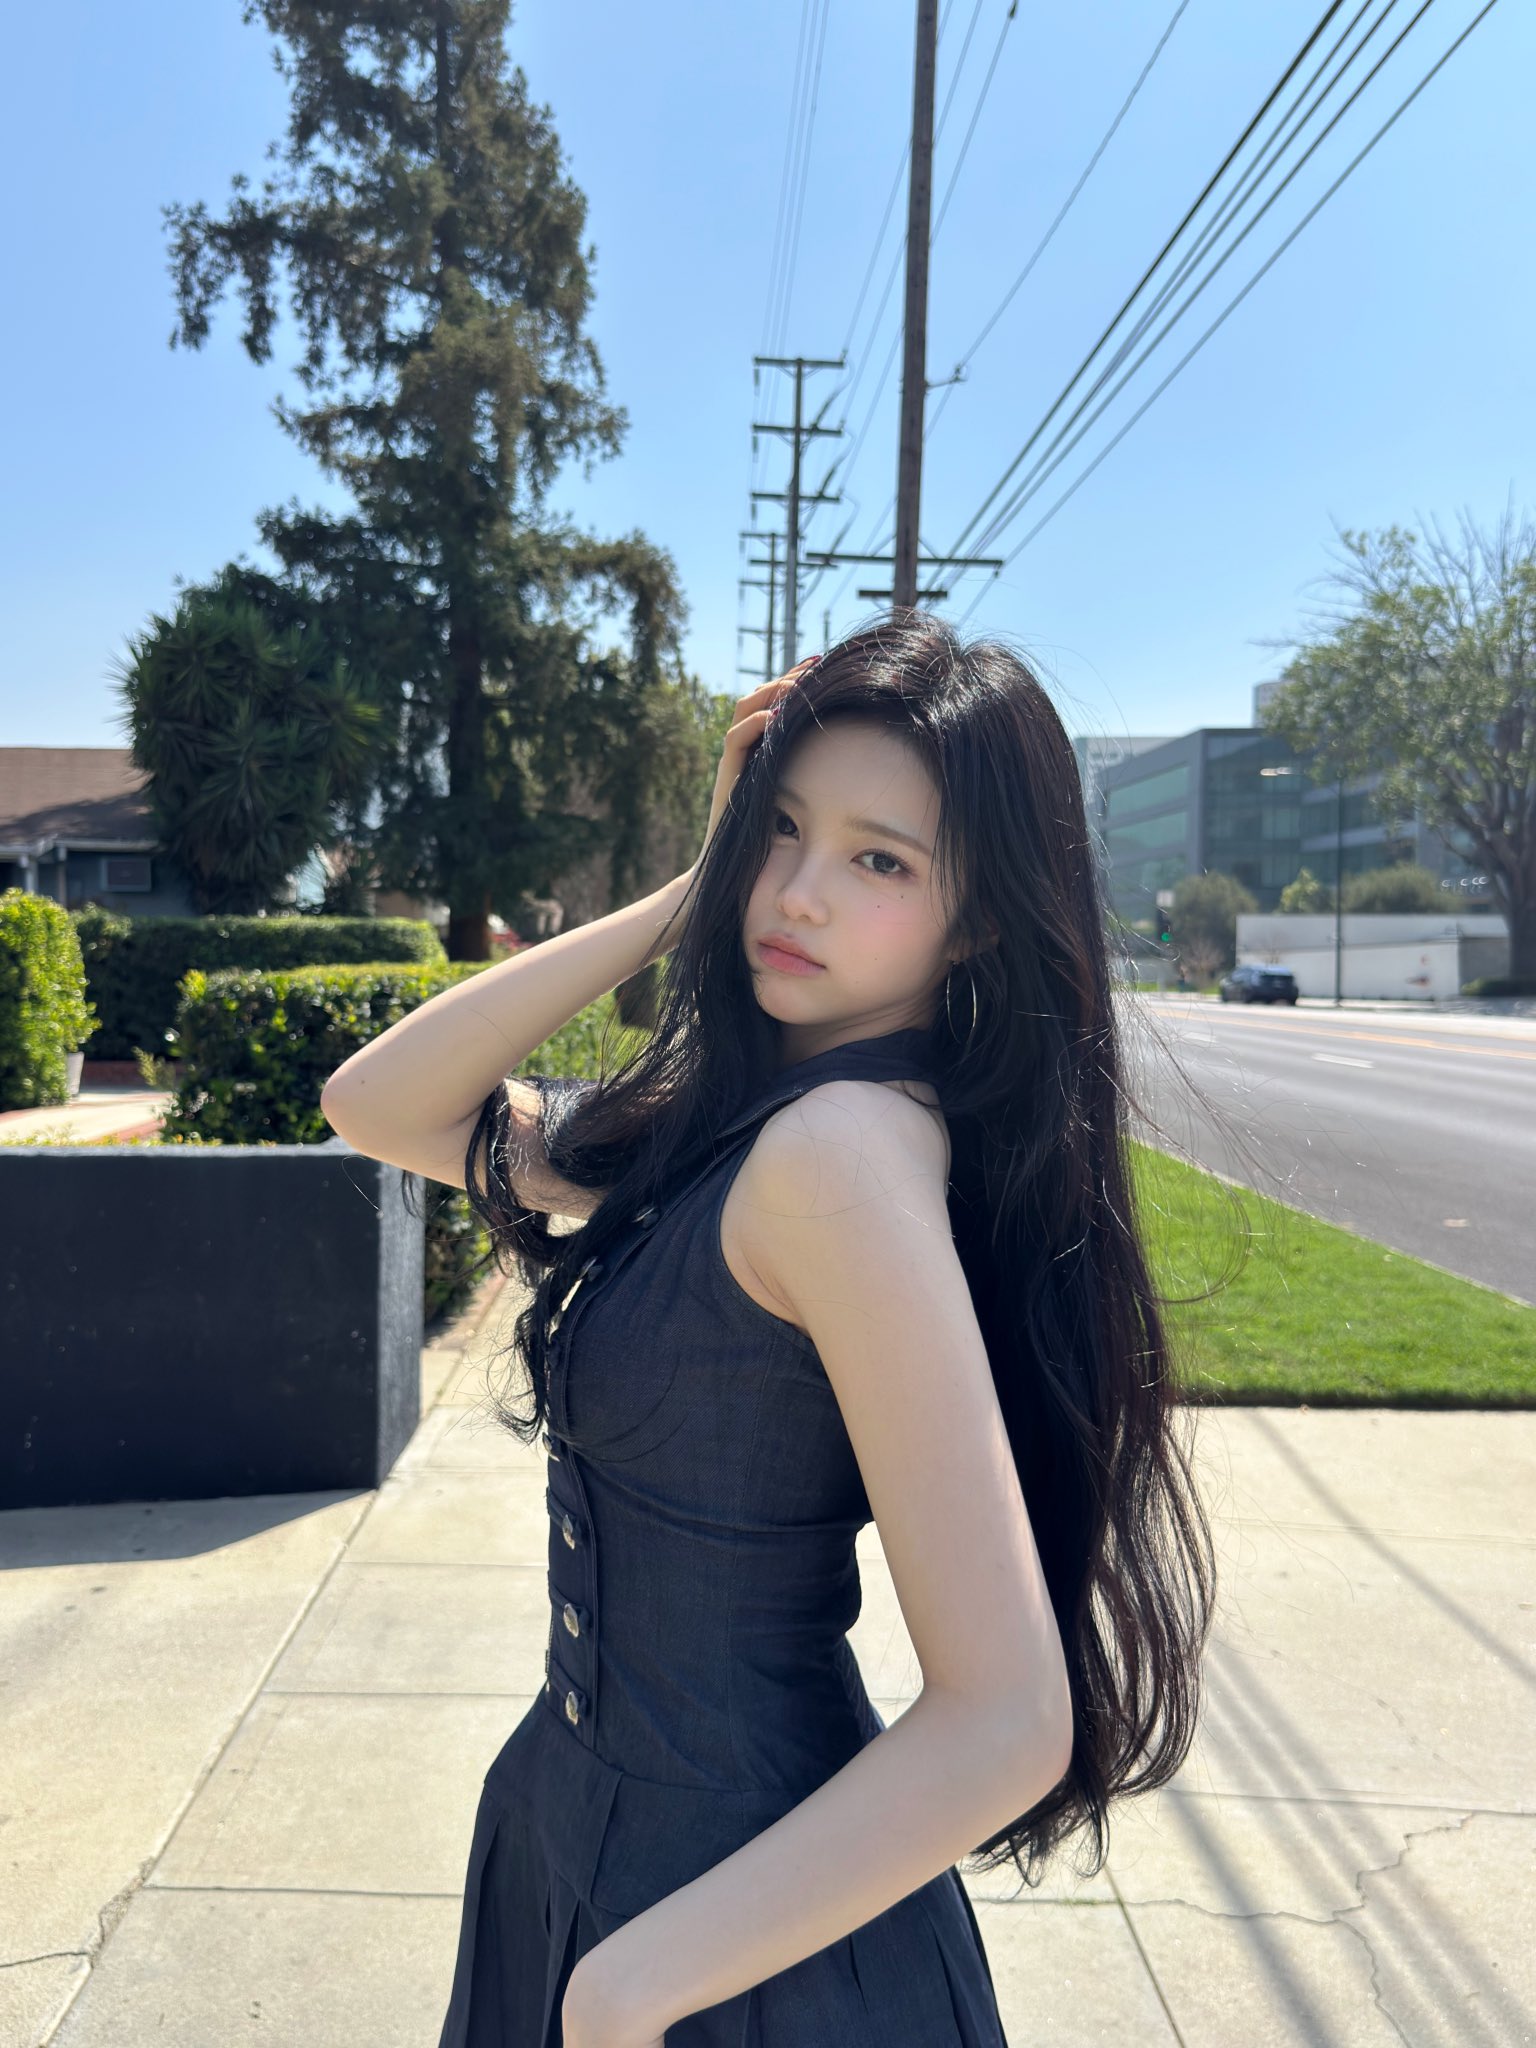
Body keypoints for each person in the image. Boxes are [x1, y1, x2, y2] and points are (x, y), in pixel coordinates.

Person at [319, 609, 1217, 2046]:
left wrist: (625, 1991)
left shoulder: (836, 1156)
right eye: (781, 830)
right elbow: (378, 1104)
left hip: (728, 1942)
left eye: (879, 861)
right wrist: (698, 884)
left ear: (980, 915)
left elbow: (1007, 1720)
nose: (797, 895)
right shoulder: (734, 1129)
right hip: (583, 1845)